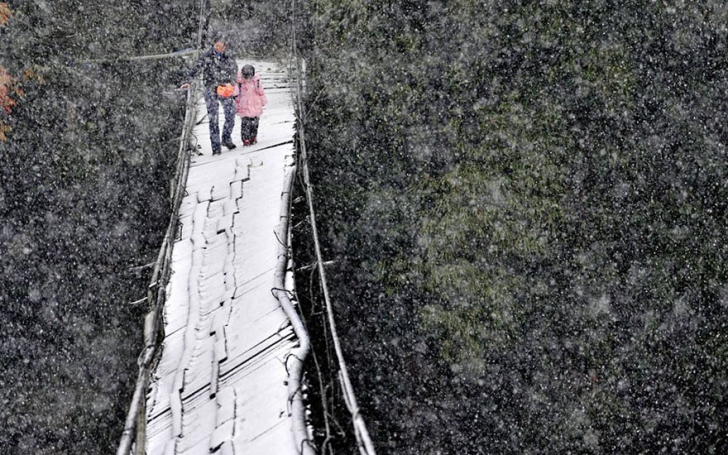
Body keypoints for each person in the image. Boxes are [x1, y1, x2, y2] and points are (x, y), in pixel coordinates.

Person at [180, 34, 238, 155]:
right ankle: (216, 147)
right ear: (213, 45)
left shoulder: (229, 57)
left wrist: (231, 83)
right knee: (213, 118)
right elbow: (196, 69)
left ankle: (226, 138)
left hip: (224, 88)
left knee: (231, 114)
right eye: (217, 46)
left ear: (225, 46)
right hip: (210, 88)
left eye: (221, 46)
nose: (219, 49)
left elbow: (234, 70)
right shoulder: (206, 56)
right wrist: (188, 81)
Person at [234, 64, 267, 146]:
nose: (248, 79)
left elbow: (260, 92)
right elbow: (236, 94)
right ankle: (245, 139)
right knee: (245, 124)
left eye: (249, 77)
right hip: (244, 104)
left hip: (255, 103)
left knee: (255, 123)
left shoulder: (256, 81)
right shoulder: (239, 82)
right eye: (246, 77)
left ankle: (253, 137)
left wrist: (263, 101)